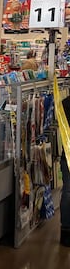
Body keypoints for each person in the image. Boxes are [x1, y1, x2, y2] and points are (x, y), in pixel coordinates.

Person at [61, 96, 70, 247]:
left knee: (68, 192)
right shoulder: (65, 103)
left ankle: (66, 231)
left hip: (67, 154)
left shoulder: (65, 103)